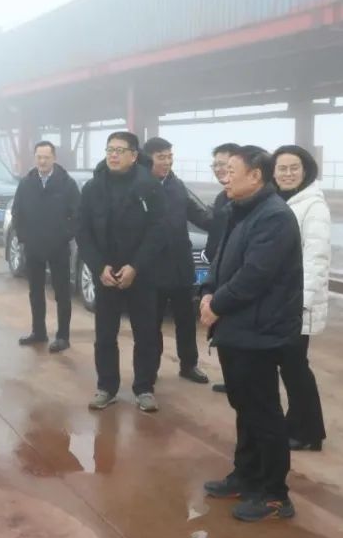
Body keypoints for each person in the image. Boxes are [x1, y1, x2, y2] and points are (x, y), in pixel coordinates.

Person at [199, 145, 303, 522]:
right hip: (237, 327)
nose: (224, 177)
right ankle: (246, 475)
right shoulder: (238, 210)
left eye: (231, 171)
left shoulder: (274, 216)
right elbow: (220, 259)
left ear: (256, 176)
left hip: (261, 329)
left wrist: (217, 304)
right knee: (244, 407)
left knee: (263, 412)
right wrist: (207, 290)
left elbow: (255, 274)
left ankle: (275, 494)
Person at [76, 131, 166, 413]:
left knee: (146, 334)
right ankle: (106, 387)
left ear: (134, 155)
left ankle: (144, 388)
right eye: (110, 150)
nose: (113, 155)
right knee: (105, 335)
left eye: (119, 150)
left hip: (141, 273)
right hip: (106, 273)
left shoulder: (149, 187)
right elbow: (82, 231)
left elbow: (158, 231)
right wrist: (98, 266)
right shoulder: (93, 188)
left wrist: (136, 266)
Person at [274, 145, 330, 452]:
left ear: (305, 170)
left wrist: (301, 302)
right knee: (290, 365)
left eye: (294, 168)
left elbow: (316, 258)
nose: (288, 174)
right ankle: (298, 424)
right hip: (282, 299)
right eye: (281, 168)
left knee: (295, 366)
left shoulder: (313, 206)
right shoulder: (284, 201)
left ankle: (309, 431)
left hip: (297, 303)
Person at [142, 136, 211, 384]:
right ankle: (149, 369)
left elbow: (199, 215)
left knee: (186, 320)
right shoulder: (139, 187)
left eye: (170, 157)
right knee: (152, 324)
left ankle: (189, 365)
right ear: (148, 158)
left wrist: (225, 218)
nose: (167, 162)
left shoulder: (176, 185)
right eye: (161, 157)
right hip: (151, 268)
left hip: (181, 265)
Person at [13, 140, 81, 353]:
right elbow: (17, 212)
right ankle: (39, 332)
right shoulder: (26, 183)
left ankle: (63, 336)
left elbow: (77, 214)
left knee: (62, 293)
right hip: (33, 246)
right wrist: (24, 238)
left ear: (54, 158)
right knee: (35, 292)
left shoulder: (66, 184)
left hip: (58, 247)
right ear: (34, 158)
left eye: (46, 157)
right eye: (39, 157)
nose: (42, 161)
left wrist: (64, 235)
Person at [205, 143, 239, 394]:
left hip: (236, 275)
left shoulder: (245, 200)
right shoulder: (221, 198)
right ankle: (232, 379)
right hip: (220, 271)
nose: (218, 169)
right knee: (223, 331)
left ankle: (240, 381)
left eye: (224, 164)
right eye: (215, 164)